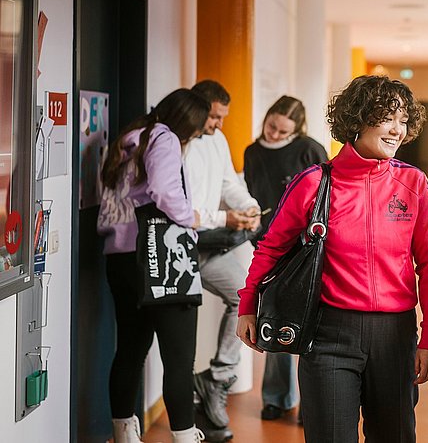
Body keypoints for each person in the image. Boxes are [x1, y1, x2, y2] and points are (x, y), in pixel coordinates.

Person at [237, 75, 428, 443]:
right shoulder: (313, 182)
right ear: (358, 119)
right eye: (388, 117)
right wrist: (247, 305)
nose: (398, 130)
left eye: (403, 120)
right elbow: (271, 247)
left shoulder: (413, 183)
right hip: (327, 333)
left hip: (394, 336)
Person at [97, 88, 209, 443]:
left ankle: (124, 435)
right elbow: (163, 189)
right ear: (187, 123)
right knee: (178, 359)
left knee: (130, 349)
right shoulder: (165, 139)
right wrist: (188, 217)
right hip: (160, 259)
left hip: (121, 259)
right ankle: (185, 436)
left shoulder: (127, 141)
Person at [241, 94, 327, 422]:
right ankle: (276, 397)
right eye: (271, 127)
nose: (274, 134)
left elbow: (325, 196)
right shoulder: (252, 152)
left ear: (297, 129)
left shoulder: (310, 149)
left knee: (312, 325)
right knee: (273, 320)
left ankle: (312, 402)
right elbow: (251, 192)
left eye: (282, 131)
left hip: (308, 248)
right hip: (269, 244)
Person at [184, 80, 261, 440]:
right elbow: (184, 210)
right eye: (214, 117)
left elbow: (229, 181)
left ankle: (215, 380)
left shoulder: (215, 138)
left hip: (213, 242)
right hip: (185, 246)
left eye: (221, 117)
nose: (218, 124)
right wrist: (226, 218)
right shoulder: (178, 143)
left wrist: (247, 205)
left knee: (251, 298)